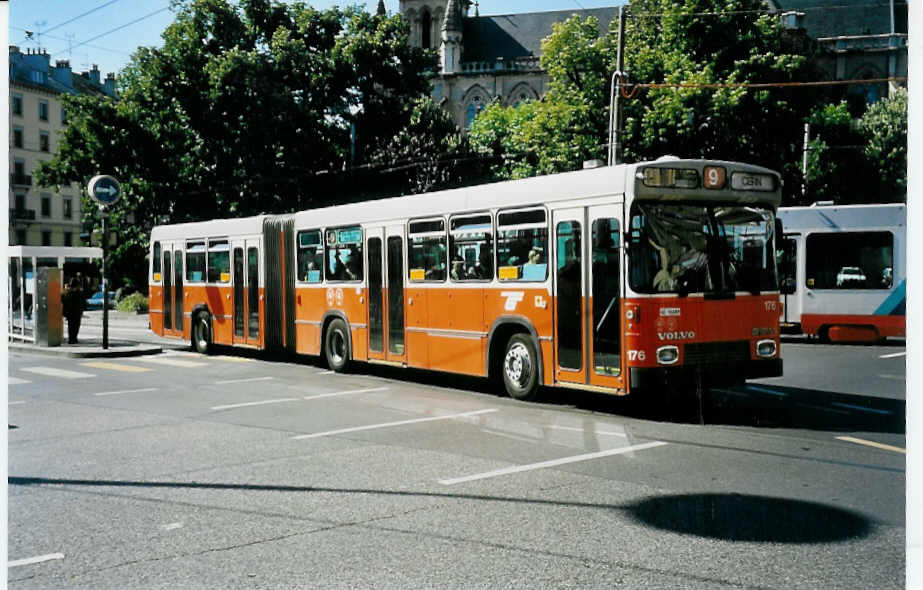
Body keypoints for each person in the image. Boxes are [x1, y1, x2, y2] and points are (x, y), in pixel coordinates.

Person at [61, 278, 85, 344]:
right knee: (74, 326)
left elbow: (63, 299)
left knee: (73, 326)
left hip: (72, 312)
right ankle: (72, 339)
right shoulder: (75, 293)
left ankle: (72, 338)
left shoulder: (69, 292)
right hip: (74, 312)